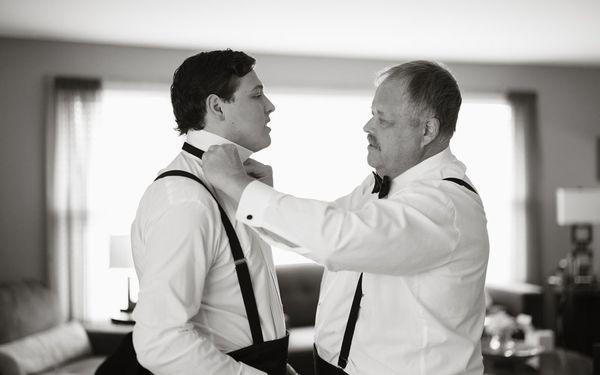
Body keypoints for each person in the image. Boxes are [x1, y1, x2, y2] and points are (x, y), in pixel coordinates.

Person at [201, 61, 490, 375]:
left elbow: (339, 239)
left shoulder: (446, 204)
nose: (368, 126)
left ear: (427, 130)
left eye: (383, 119)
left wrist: (240, 186)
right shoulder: (381, 182)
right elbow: (330, 226)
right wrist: (260, 194)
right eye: (372, 113)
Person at [128, 50, 291, 375]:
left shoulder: (239, 182)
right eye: (257, 94)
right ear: (217, 106)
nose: (270, 106)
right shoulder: (185, 199)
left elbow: (242, 303)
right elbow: (160, 341)